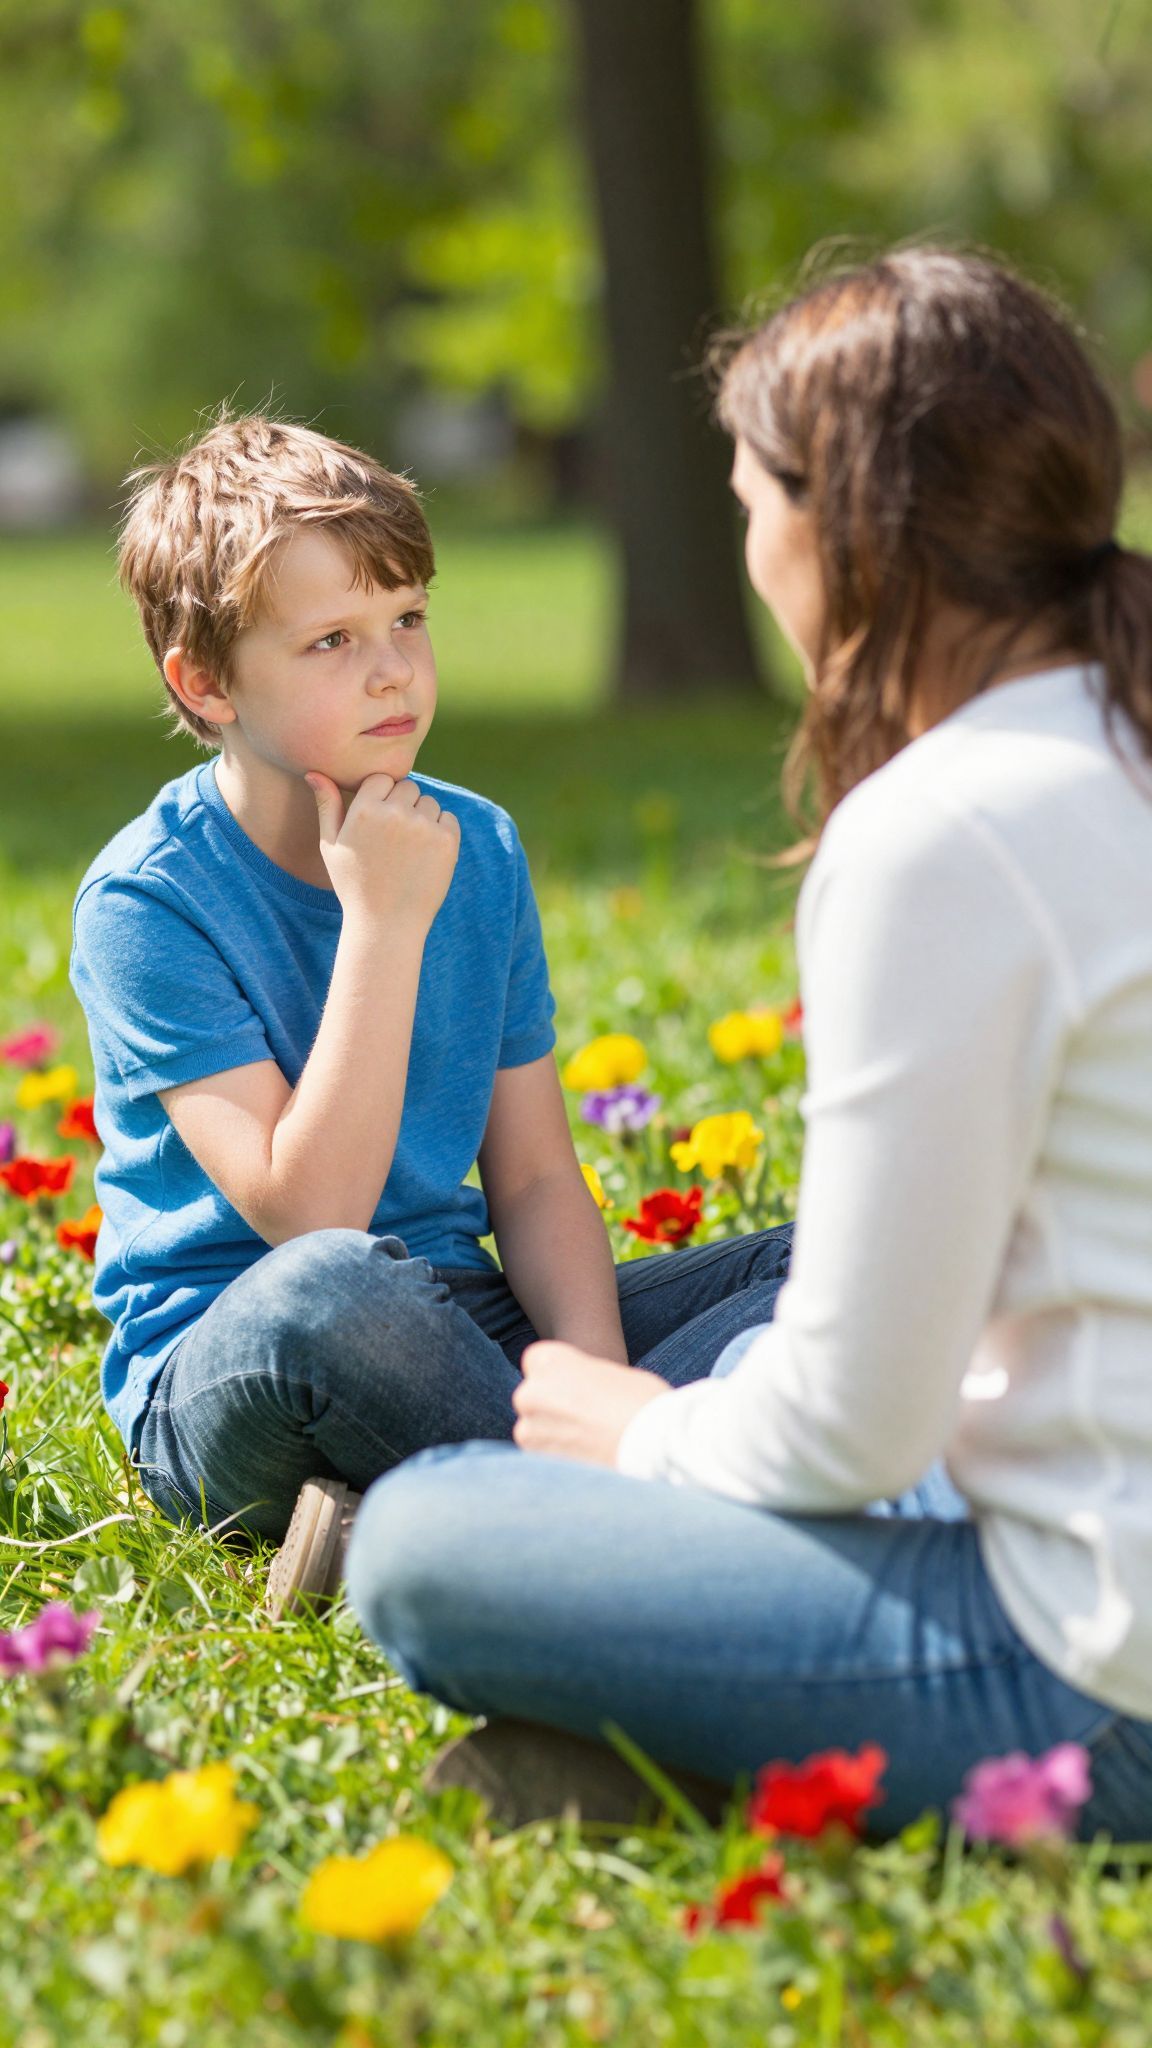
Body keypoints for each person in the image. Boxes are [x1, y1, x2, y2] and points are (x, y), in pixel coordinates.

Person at [346, 249, 1152, 1840]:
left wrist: (642, 1434)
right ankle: (698, 1744)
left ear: (838, 524)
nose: (753, 547)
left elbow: (861, 1423)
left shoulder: (944, 832)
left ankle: (710, 1758)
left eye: (750, 502)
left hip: (1094, 1680)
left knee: (427, 1541)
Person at [69, 414, 794, 1618]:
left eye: (408, 617)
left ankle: (486, 1504)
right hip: (242, 1363)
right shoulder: (148, 899)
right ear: (203, 682)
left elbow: (538, 1182)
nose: (394, 668)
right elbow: (311, 1220)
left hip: (456, 1315)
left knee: (807, 1262)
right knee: (337, 1290)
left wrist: (596, 1389)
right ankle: (644, 1536)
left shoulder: (483, 845)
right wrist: (383, 924)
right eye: (331, 640)